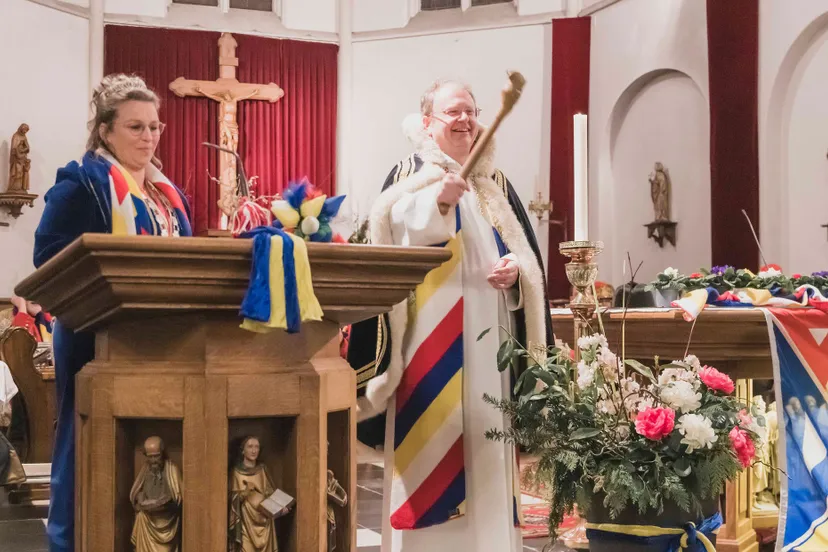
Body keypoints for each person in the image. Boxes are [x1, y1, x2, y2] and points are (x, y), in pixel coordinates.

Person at [351, 80, 553, 552]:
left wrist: (515, 273)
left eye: (471, 111)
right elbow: (394, 231)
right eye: (453, 112)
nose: (465, 120)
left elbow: (525, 260)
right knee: (432, 454)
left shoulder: (495, 184)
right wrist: (438, 201)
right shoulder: (410, 174)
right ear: (427, 123)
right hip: (429, 348)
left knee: (490, 449)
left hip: (492, 351)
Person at [33, 74, 193, 552]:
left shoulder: (167, 194)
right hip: (96, 335)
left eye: (154, 127)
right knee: (84, 439)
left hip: (166, 337)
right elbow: (49, 256)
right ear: (105, 131)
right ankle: (72, 540)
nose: (149, 137)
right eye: (135, 127)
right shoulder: (82, 182)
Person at [228, 436, 285, 552]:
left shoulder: (263, 469)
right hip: (246, 523)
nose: (254, 450)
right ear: (243, 450)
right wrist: (245, 492)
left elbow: (271, 494)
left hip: (264, 522)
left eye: (256, 447)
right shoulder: (236, 472)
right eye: (250, 447)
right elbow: (230, 500)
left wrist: (280, 508)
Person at [130, 436, 182, 552]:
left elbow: (177, 498)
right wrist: (140, 497)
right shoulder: (145, 469)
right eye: (150, 457)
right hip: (148, 518)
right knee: (141, 516)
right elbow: (137, 491)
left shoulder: (172, 470)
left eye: (156, 456)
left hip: (166, 519)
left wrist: (163, 502)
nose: (153, 460)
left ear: (162, 454)